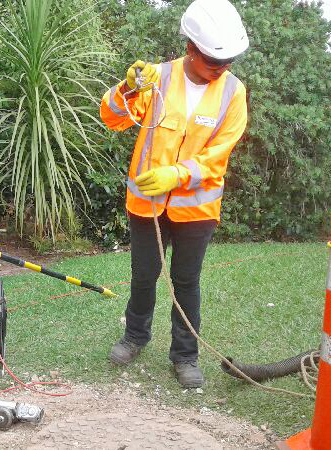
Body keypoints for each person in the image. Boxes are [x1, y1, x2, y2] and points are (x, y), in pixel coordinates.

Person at [99, 0, 249, 388]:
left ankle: (185, 356)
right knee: (144, 275)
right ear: (190, 48)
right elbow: (113, 118)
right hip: (147, 204)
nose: (221, 68)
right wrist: (128, 87)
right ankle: (134, 337)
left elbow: (219, 154)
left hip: (197, 210)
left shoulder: (233, 93)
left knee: (186, 282)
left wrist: (177, 175)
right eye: (214, 61)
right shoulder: (158, 78)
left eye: (227, 61)